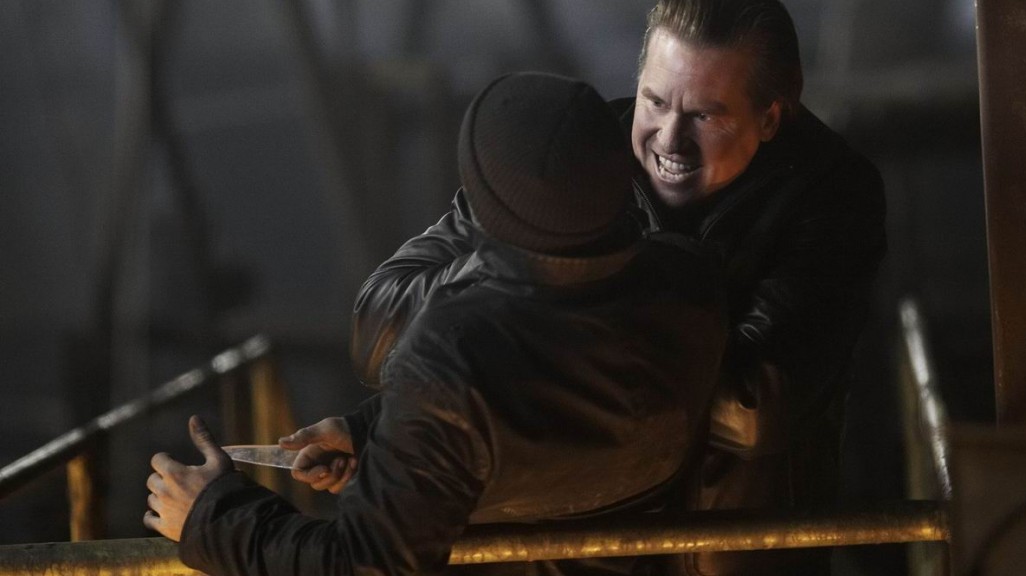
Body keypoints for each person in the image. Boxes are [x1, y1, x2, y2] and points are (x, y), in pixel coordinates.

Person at [349, 1, 886, 574]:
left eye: (705, 116)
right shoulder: (574, 158)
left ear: (772, 117)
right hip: (568, 556)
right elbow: (378, 330)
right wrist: (514, 261)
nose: (670, 140)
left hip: (726, 556)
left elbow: (754, 408)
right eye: (655, 101)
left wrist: (528, 321)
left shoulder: (834, 193)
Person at [144, 72, 727, 576]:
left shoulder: (453, 344)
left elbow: (366, 563)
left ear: (487, 204)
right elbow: (551, 401)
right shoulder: (689, 283)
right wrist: (380, 434)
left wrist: (212, 515)